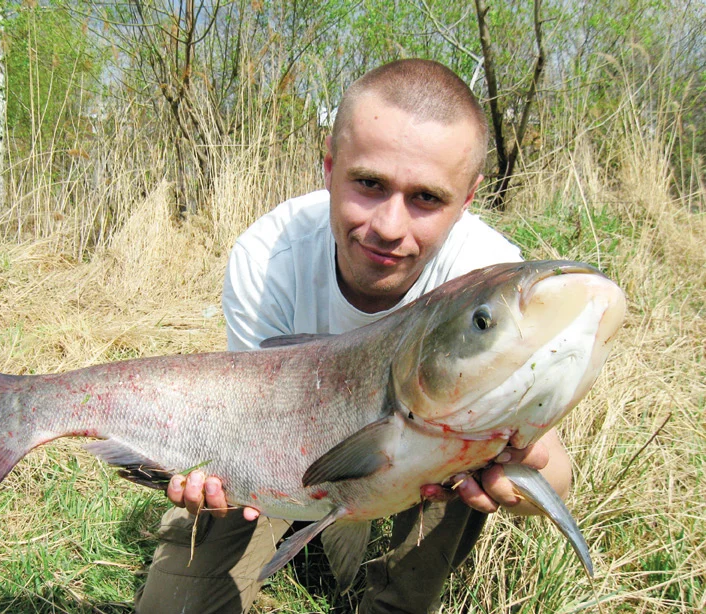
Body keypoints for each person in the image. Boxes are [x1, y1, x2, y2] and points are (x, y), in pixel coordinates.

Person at [135, 58, 572, 614]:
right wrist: (211, 473)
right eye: (369, 184)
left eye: (427, 199)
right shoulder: (267, 257)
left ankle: (390, 597)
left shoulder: (492, 289)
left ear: (466, 200)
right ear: (328, 166)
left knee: (472, 431)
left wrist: (514, 484)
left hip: (419, 472)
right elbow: (249, 427)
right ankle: (320, 544)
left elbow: (556, 467)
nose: (389, 227)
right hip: (288, 451)